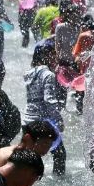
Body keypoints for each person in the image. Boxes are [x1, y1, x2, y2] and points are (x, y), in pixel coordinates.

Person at [22, 40, 66, 176]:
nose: (55, 59)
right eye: (52, 55)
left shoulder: (28, 73)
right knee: (60, 154)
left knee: (29, 158)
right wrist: (59, 119)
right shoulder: (48, 75)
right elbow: (49, 100)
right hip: (41, 123)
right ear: (45, 56)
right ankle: (59, 182)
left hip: (27, 121)